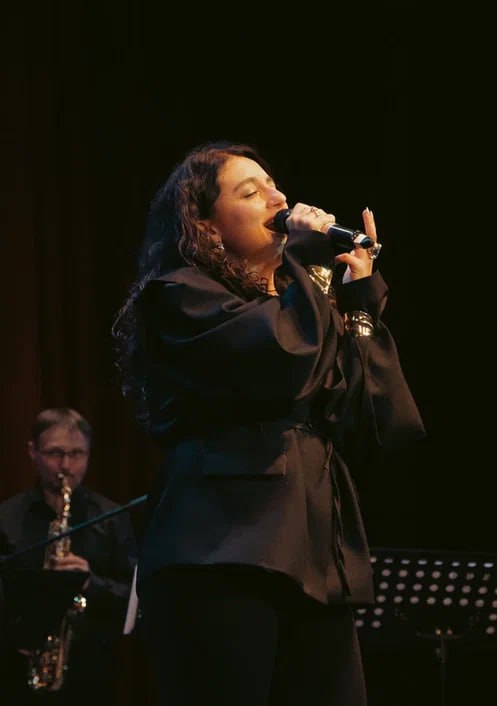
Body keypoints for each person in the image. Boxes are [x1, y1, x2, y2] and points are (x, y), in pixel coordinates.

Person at [111, 140, 426, 706]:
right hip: (223, 550)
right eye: (251, 192)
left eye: (274, 186)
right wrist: (310, 267)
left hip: (315, 552)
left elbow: (382, 422)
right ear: (205, 226)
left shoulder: (303, 307)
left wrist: (357, 303)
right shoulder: (181, 297)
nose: (279, 199)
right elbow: (281, 362)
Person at [0, 407, 138, 706]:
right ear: (32, 452)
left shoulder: (112, 518)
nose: (66, 465)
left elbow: (134, 602)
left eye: (77, 454)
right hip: (16, 675)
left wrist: (90, 583)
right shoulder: (6, 519)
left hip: (93, 674)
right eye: (55, 453)